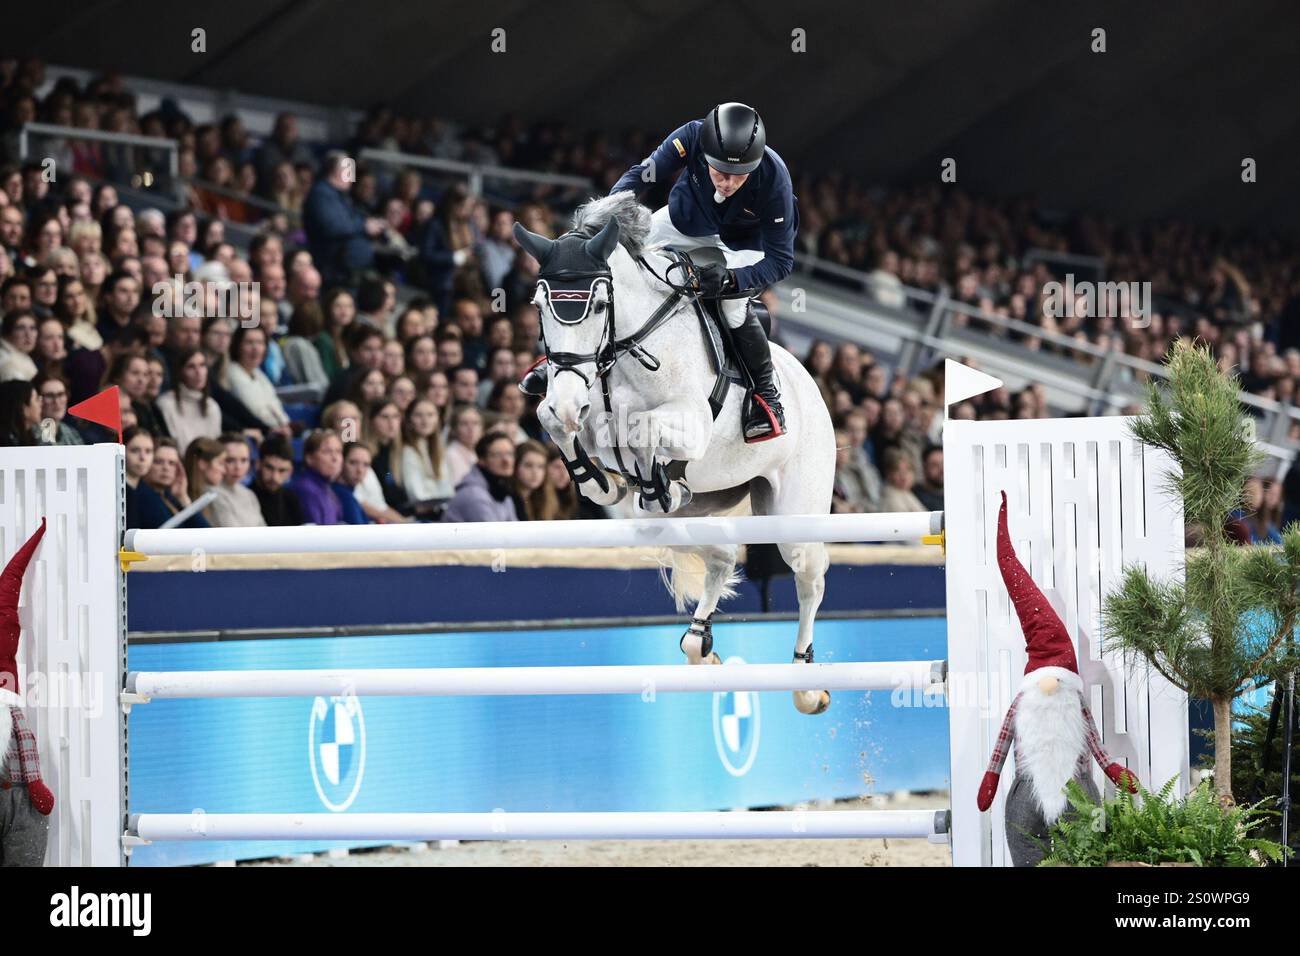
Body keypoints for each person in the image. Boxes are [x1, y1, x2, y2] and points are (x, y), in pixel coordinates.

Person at [523, 103, 796, 442]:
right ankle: (558, 362)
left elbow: (781, 262)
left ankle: (766, 396)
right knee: (609, 256)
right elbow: (641, 175)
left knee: (732, 305)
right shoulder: (693, 136)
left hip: (742, 244)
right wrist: (606, 220)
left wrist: (731, 280)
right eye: (719, 172)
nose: (727, 182)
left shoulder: (774, 177)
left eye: (738, 176)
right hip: (684, 222)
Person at [441, 432, 521, 522]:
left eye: (510, 454)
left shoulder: (502, 489)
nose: (506, 460)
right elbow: (492, 534)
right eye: (498, 455)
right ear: (482, 460)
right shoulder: (474, 495)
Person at [291, 428, 366, 525]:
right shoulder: (306, 489)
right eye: (327, 452)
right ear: (309, 458)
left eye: (338, 452)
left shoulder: (328, 488)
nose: (335, 458)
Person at [155, 348, 222, 455]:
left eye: (202, 365)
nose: (198, 372)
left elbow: (215, 448)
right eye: (191, 367)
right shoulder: (166, 404)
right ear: (180, 372)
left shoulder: (212, 406)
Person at [208, 433, 268, 528]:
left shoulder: (249, 494)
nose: (238, 467)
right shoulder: (210, 494)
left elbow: (264, 530)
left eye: (244, 460)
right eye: (230, 460)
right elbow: (233, 536)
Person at [251, 435, 304, 526]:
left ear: (290, 471)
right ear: (258, 464)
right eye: (269, 468)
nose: (274, 477)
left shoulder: (291, 499)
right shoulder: (247, 497)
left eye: (282, 470)